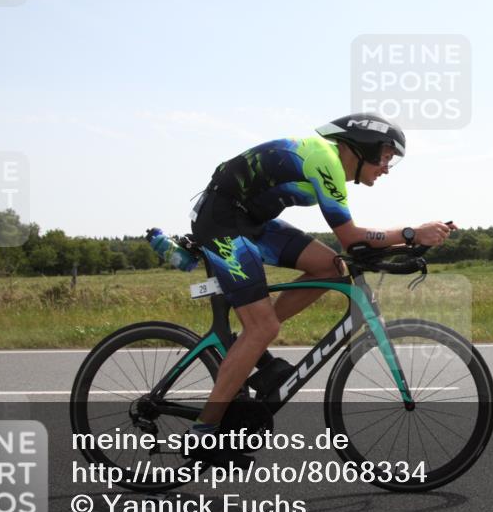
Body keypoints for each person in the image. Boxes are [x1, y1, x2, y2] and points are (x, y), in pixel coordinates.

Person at [186, 113, 455, 451]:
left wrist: (411, 244)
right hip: (223, 221)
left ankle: (250, 342)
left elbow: (353, 247)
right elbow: (350, 236)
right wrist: (411, 232)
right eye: (386, 156)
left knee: (330, 267)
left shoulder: (331, 168)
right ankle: (204, 431)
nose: (386, 167)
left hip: (250, 221)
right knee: (263, 327)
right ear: (365, 148)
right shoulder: (325, 160)